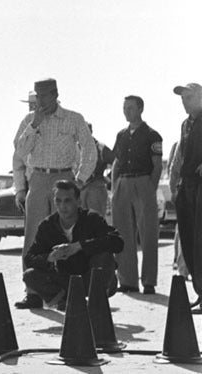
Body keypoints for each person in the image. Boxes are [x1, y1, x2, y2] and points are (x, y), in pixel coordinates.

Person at [12, 77, 96, 309]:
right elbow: (20, 151)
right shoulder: (29, 121)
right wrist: (35, 125)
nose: (41, 101)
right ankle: (33, 293)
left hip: (64, 177)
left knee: (66, 235)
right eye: (37, 97)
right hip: (38, 179)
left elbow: (90, 149)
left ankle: (66, 292)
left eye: (45, 95)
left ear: (56, 94)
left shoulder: (73, 119)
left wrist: (79, 179)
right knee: (33, 238)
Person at [20, 180, 123, 310]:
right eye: (58, 201)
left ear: (78, 201)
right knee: (30, 275)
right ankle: (65, 302)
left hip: (90, 276)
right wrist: (50, 257)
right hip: (65, 280)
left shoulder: (91, 219)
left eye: (67, 200)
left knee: (105, 256)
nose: (62, 206)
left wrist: (79, 246)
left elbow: (117, 242)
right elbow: (29, 258)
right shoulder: (47, 226)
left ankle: (97, 301)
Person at [110, 95, 162, 294]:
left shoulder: (153, 135)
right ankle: (128, 281)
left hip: (143, 182)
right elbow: (116, 162)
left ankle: (149, 281)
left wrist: (150, 187)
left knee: (148, 233)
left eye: (130, 108)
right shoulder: (121, 135)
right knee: (122, 234)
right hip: (123, 183)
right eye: (124, 108)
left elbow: (157, 164)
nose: (126, 111)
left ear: (140, 109)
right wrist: (115, 187)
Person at [170, 82, 202, 310]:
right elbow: (180, 157)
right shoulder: (185, 124)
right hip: (187, 186)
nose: (184, 101)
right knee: (190, 241)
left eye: (189, 97)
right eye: (182, 98)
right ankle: (201, 292)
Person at [80, 124, 113, 217]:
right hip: (80, 190)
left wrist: (108, 179)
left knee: (96, 222)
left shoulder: (101, 148)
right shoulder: (75, 148)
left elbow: (116, 163)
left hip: (96, 188)